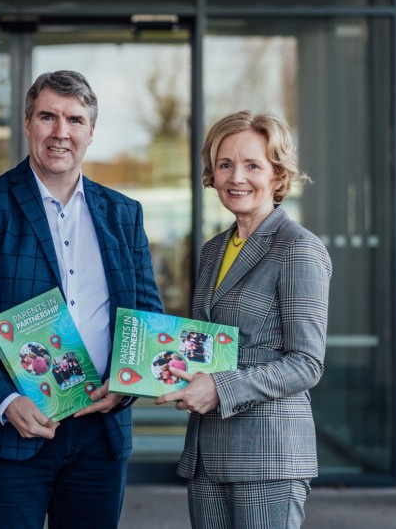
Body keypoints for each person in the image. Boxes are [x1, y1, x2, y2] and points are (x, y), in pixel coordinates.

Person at [0, 70, 163, 528]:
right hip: (11, 432)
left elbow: (146, 315)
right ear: (28, 124)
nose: (62, 132)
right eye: (48, 117)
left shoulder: (124, 212)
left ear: (91, 132)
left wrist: (125, 385)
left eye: (75, 120)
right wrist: (5, 401)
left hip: (101, 433)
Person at [155, 110, 331, 528]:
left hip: (268, 456)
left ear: (278, 174)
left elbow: (307, 363)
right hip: (208, 455)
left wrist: (219, 386)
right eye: (225, 164)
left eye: (253, 165)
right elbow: (207, 343)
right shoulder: (214, 250)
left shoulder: (298, 248)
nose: (237, 177)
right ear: (211, 175)